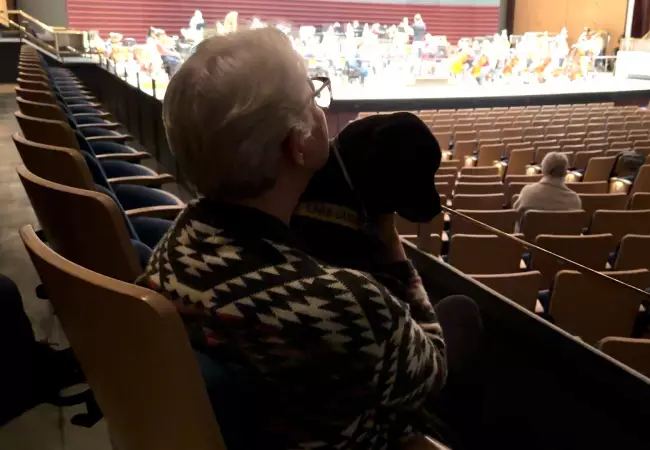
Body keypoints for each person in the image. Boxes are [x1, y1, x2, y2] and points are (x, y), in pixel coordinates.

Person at [137, 27, 482, 449]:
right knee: (460, 312)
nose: (322, 111)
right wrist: (390, 242)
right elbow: (433, 370)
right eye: (313, 94)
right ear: (299, 143)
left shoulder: (172, 247)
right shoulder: (350, 303)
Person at [514, 152, 581, 217]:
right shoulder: (575, 201)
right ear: (565, 173)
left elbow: (515, 215)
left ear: (543, 169)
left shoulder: (527, 193)